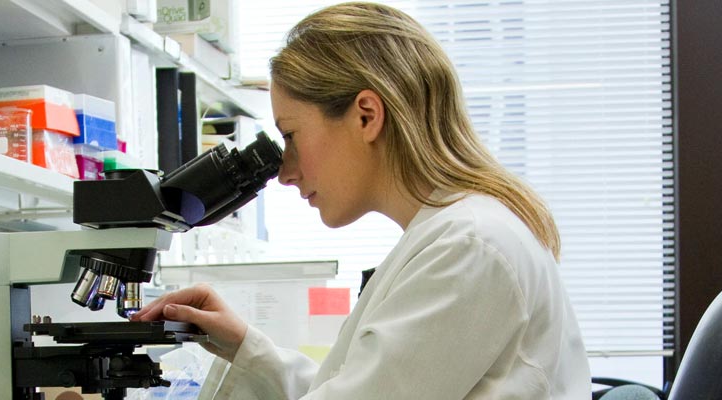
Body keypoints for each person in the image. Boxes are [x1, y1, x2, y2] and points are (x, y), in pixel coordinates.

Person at [131, 2, 591, 398]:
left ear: (366, 116)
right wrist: (244, 345)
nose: (286, 173)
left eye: (291, 135)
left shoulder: (468, 247)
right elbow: (358, 385)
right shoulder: (455, 235)